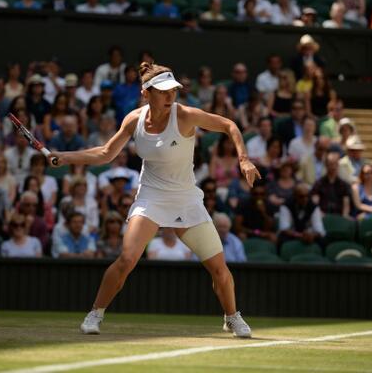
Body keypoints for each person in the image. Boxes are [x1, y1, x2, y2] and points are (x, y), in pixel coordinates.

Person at [47, 61, 259, 337]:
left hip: (186, 199)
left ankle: (232, 317)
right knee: (127, 259)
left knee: (219, 269)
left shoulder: (185, 115)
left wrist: (244, 160)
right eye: (162, 91)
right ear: (146, 93)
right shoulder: (134, 119)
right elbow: (105, 154)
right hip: (151, 197)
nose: (170, 96)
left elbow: (229, 125)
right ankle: (95, 314)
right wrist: (64, 158)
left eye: (173, 90)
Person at [311, 152, 351, 217]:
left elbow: (346, 204)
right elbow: (315, 202)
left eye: (335, 164)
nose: (333, 167)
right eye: (331, 164)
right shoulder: (319, 183)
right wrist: (319, 214)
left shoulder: (344, 184)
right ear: (326, 165)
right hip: (323, 216)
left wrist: (344, 217)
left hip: (339, 217)